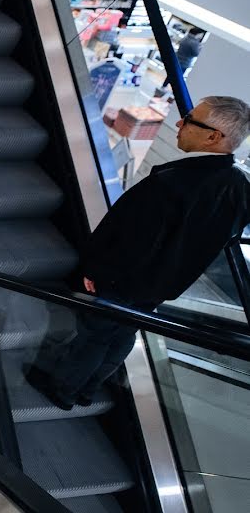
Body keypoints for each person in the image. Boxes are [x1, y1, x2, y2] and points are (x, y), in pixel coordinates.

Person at [26, 96, 250, 410]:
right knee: (122, 333)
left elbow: (134, 243)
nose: (179, 123)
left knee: (96, 334)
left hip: (126, 279)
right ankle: (89, 388)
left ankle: (62, 389)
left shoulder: (173, 185)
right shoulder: (238, 186)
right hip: (164, 284)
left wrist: (98, 273)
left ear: (214, 137)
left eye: (189, 119)